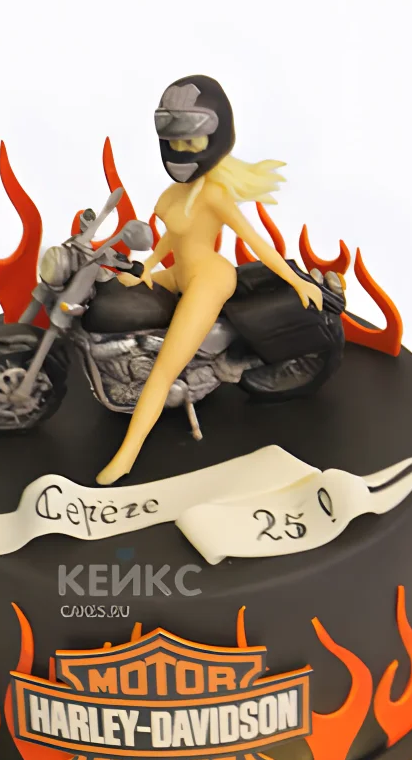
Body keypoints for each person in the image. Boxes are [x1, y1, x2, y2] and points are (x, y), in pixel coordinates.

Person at [96, 75, 323, 486]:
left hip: (209, 279)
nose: (181, 151)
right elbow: (172, 237)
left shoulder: (215, 195)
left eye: (191, 141)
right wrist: (148, 267)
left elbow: (255, 242)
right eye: (175, 142)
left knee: (163, 371)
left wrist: (297, 279)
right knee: (116, 301)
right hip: (179, 272)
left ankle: (127, 455)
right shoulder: (172, 194)